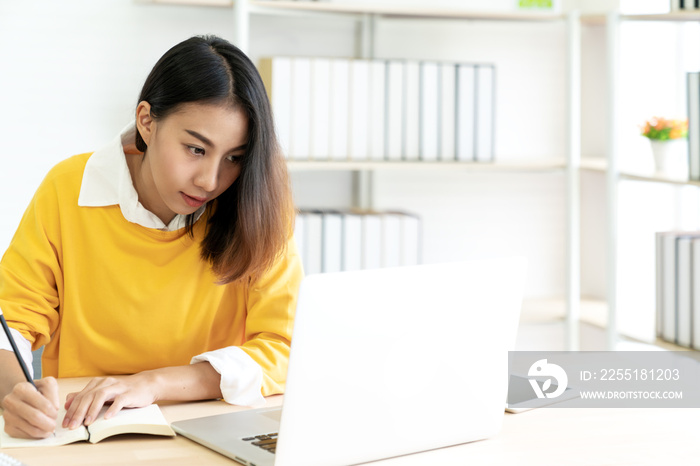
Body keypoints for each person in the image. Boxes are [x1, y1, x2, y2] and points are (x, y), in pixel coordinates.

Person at [0, 35, 302, 439]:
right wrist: (14, 394)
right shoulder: (68, 188)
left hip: (217, 431)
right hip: (86, 430)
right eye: (196, 149)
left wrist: (153, 383)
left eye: (235, 158)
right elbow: (11, 320)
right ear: (147, 120)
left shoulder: (259, 206)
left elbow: (285, 347)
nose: (211, 180)